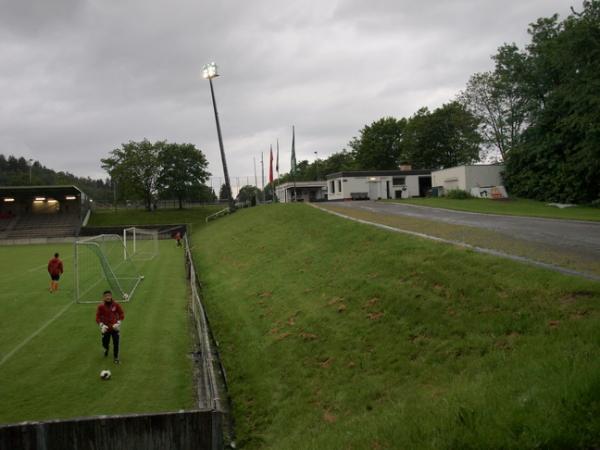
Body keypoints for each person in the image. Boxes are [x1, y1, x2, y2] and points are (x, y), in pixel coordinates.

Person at [95, 290, 125, 364]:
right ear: (104, 297)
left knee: (116, 343)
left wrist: (118, 323)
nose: (108, 297)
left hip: (115, 327)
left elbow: (121, 314)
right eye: (106, 296)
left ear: (111, 296)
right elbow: (97, 317)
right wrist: (102, 325)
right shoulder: (101, 306)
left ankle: (116, 358)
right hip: (106, 328)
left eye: (109, 295)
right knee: (105, 343)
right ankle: (106, 349)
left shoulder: (116, 305)